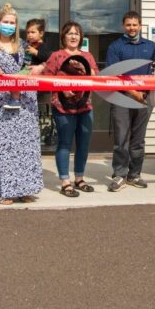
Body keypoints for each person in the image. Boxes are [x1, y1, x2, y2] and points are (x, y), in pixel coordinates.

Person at [0, 3, 44, 205]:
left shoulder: (24, 45)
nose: (9, 26)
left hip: (27, 103)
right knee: (5, 148)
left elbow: (41, 62)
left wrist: (40, 66)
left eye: (12, 23)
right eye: (5, 22)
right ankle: (1, 191)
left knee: (26, 147)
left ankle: (24, 189)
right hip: (4, 103)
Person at [42, 21, 99, 197]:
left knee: (83, 144)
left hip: (85, 106)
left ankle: (79, 178)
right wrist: (61, 88)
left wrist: (88, 69)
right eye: (70, 33)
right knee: (65, 143)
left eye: (77, 33)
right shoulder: (56, 56)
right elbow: (46, 79)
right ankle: (65, 182)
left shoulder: (88, 56)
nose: (73, 36)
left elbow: (96, 78)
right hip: (62, 107)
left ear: (81, 37)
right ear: (63, 37)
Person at [105, 11, 155, 192]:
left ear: (140, 25)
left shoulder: (152, 47)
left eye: (135, 25)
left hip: (144, 99)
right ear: (123, 26)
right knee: (121, 139)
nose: (131, 28)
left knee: (138, 140)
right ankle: (119, 175)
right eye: (128, 25)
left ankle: (134, 174)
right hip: (121, 98)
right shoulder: (115, 46)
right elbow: (113, 74)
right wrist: (133, 92)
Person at [5, 18, 51, 111]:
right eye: (28, 32)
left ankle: (15, 100)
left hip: (34, 75)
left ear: (41, 34)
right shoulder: (27, 45)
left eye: (33, 32)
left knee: (16, 80)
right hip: (26, 71)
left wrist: (36, 52)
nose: (30, 35)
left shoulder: (42, 46)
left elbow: (48, 58)